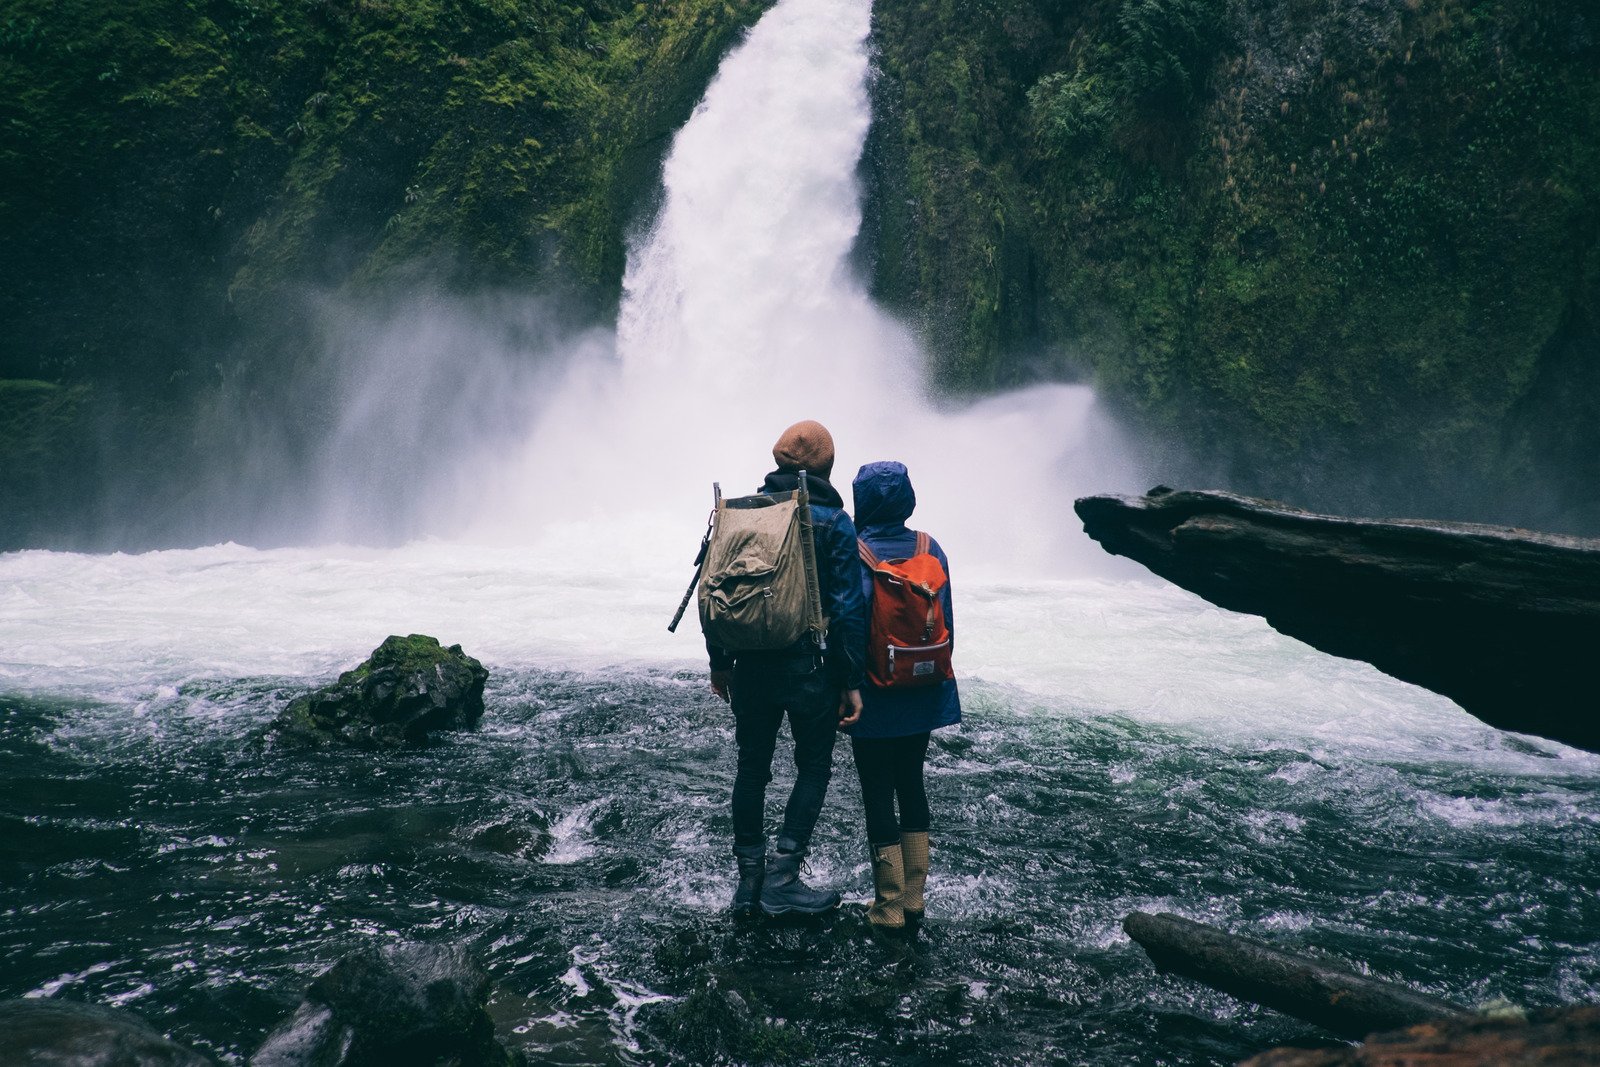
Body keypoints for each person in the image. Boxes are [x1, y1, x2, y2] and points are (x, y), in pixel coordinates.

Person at [708, 420, 868, 917]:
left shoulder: (743, 513)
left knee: (752, 767)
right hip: (808, 667)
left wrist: (720, 662)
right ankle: (783, 875)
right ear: (828, 467)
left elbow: (717, 587)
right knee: (813, 766)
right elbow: (845, 608)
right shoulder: (833, 521)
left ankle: (747, 884)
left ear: (778, 462)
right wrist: (850, 681)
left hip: (750, 663)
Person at [847, 461, 961, 932]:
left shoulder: (857, 552)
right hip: (923, 685)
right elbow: (947, 617)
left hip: (875, 693)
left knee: (877, 789)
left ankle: (888, 906)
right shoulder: (929, 548)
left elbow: (851, 627)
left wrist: (846, 686)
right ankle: (915, 899)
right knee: (911, 781)